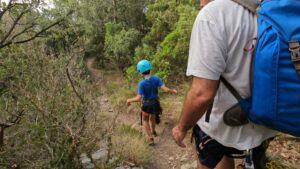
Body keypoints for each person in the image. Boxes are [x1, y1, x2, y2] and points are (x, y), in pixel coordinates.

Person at [172, 0, 277, 169]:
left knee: (211, 160)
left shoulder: (213, 15)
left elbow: (202, 94)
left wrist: (182, 127)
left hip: (221, 125)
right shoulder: (271, 10)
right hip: (267, 120)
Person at [127, 59, 177, 145]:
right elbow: (165, 89)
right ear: (150, 69)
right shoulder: (156, 78)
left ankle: (150, 138)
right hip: (156, 103)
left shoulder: (141, 84)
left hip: (146, 105)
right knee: (153, 117)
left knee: (145, 120)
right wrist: (173, 90)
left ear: (140, 72)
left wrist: (129, 100)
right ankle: (153, 131)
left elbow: (138, 98)